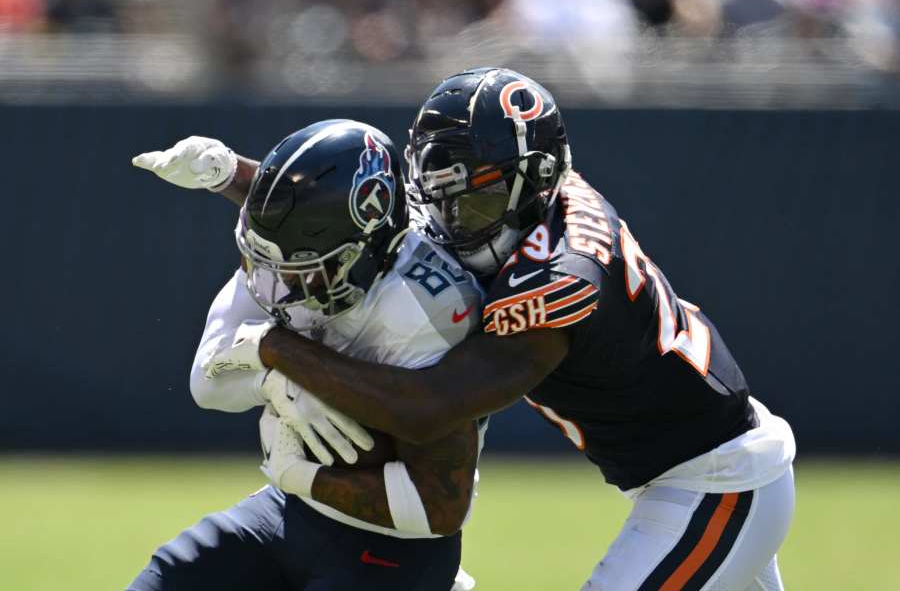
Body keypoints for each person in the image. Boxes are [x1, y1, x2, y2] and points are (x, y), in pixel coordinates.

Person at [166, 67, 797, 591]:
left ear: (536, 182)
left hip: (715, 481)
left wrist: (276, 350)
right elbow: (360, 216)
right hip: (682, 469)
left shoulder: (562, 276)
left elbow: (428, 408)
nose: (446, 219)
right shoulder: (513, 201)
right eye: (436, 194)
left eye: (470, 202)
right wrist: (235, 175)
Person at [129, 120, 483, 591]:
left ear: (360, 253)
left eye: (300, 270)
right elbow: (207, 382)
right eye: (270, 266)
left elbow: (437, 508)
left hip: (395, 553)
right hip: (286, 513)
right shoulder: (288, 254)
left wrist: (301, 473)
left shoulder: (427, 312)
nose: (275, 288)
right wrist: (272, 381)